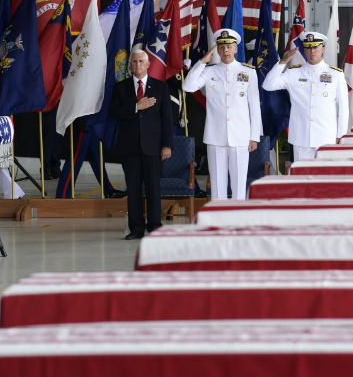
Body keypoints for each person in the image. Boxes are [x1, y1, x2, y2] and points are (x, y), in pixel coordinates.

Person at [182, 28, 261, 200]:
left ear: (235, 49)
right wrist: (202, 61)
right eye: (222, 47)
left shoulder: (248, 72)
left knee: (239, 186)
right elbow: (187, 86)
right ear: (217, 50)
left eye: (229, 46)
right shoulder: (209, 71)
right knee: (217, 187)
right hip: (215, 137)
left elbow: (254, 106)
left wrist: (254, 136)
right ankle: (219, 222)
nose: (225, 50)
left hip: (240, 136)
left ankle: (237, 221)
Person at [109, 49, 173, 240]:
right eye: (134, 62)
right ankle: (136, 228)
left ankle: (154, 226)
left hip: (153, 147)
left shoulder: (161, 88)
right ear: (130, 66)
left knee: (154, 188)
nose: (137, 65)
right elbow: (114, 112)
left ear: (148, 65)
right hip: (130, 148)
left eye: (141, 62)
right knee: (134, 189)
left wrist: (167, 145)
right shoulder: (120, 88)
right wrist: (136, 107)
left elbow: (167, 120)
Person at [262, 31, 348, 161]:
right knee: (302, 177)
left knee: (325, 176)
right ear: (304, 50)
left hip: (326, 136)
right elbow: (268, 85)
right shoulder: (293, 73)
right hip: (301, 137)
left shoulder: (336, 75)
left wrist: (341, 135)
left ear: (322, 49)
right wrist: (283, 62)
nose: (312, 51)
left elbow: (343, 108)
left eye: (315, 47)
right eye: (308, 47)